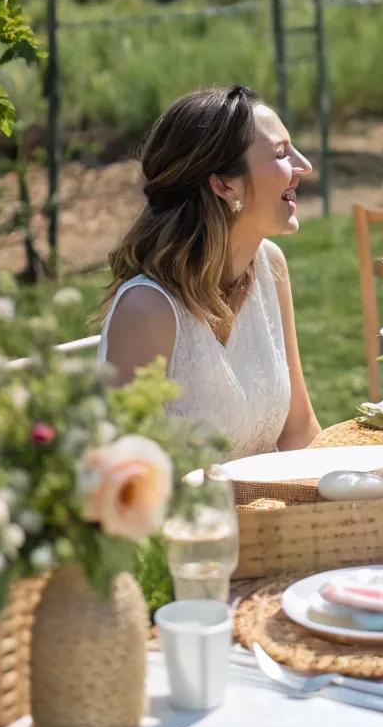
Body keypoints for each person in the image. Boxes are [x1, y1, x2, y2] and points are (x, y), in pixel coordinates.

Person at [99, 84, 321, 457]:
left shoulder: (270, 266)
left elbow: (298, 430)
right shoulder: (147, 312)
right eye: (282, 153)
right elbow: (122, 475)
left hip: (270, 514)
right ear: (223, 183)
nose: (304, 165)